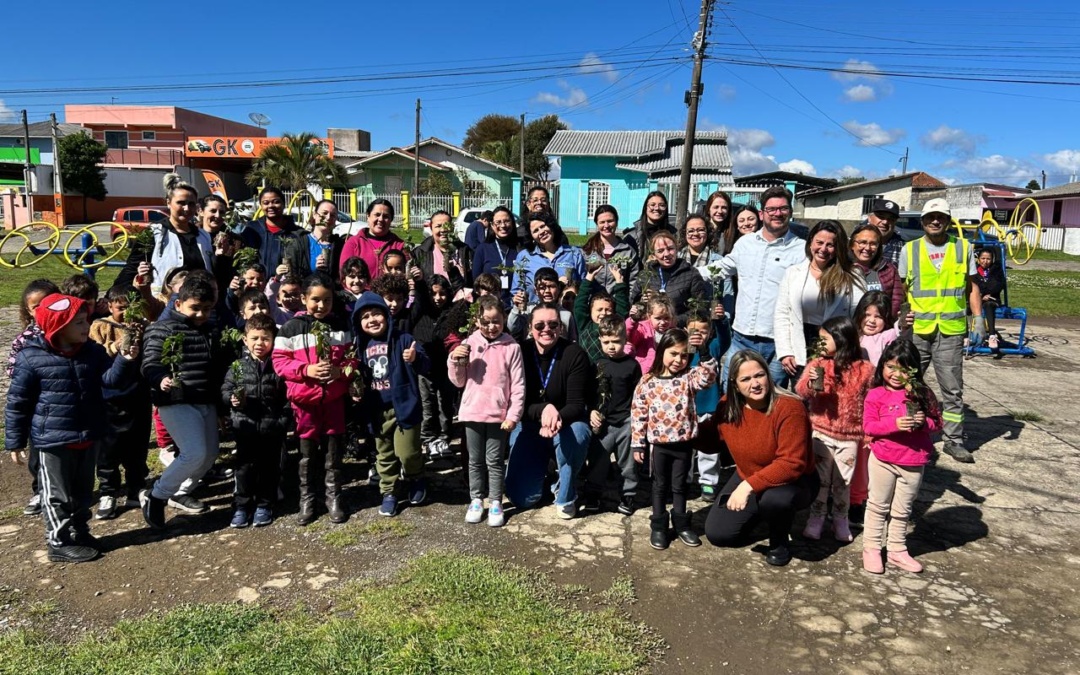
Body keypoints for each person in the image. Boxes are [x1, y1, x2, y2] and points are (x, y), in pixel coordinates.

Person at [6, 293, 139, 563]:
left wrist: (124, 359)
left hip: (88, 433)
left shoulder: (92, 352)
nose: (85, 328)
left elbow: (110, 381)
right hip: (52, 439)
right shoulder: (31, 358)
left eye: (85, 321)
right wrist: (15, 441)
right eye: (78, 323)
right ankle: (58, 541)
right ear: (58, 327)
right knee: (57, 493)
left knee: (82, 491)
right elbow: (18, 402)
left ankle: (81, 531)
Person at [702, 350, 818, 567]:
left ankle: (779, 540)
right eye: (745, 379)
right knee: (719, 534)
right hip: (751, 474)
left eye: (759, 375)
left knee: (775, 500)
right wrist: (684, 428)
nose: (754, 384)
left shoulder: (789, 408)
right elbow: (711, 442)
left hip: (794, 482)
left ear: (768, 375)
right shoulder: (728, 406)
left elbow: (792, 464)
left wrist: (747, 487)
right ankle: (761, 512)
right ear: (735, 384)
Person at [899, 198, 983, 463]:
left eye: (941, 217)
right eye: (930, 217)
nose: (935, 221)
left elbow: (972, 287)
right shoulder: (909, 250)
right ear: (922, 221)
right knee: (907, 383)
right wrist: (902, 315)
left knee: (952, 389)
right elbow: (902, 289)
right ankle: (906, 432)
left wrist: (979, 318)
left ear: (948, 221)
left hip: (950, 330)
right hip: (918, 330)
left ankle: (954, 440)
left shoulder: (964, 248)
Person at [140, 275, 222, 530]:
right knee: (194, 452)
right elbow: (150, 360)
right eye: (194, 308)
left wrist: (222, 406)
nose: (200, 314)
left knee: (209, 455)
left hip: (205, 399)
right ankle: (157, 495)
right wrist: (160, 377)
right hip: (176, 400)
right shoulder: (161, 329)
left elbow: (217, 369)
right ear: (178, 304)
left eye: (206, 309)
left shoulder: (211, 329)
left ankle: (180, 490)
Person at [273, 273, 355, 526]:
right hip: (304, 403)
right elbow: (279, 362)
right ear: (303, 298)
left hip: (332, 401)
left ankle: (333, 497)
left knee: (333, 454)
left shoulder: (340, 326)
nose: (321, 306)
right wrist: (305, 370)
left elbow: (352, 359)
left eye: (327, 300)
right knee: (307, 456)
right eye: (315, 300)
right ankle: (307, 499)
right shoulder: (290, 329)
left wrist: (341, 372)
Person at [631, 329, 717, 550]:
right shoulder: (647, 382)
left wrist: (704, 351)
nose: (679, 360)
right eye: (673, 353)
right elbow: (639, 414)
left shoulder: (689, 377)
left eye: (684, 355)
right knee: (659, 486)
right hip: (658, 446)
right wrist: (638, 443)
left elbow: (708, 378)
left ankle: (681, 524)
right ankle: (659, 526)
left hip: (684, 444)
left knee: (680, 486)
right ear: (661, 352)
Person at [862, 340, 942, 574]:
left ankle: (897, 549)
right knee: (877, 505)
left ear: (915, 370)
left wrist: (922, 422)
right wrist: (894, 424)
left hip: (913, 461)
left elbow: (937, 423)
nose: (897, 374)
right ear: (882, 367)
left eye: (904, 369)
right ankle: (872, 548)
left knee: (902, 510)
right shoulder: (876, 394)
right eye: (891, 367)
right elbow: (869, 426)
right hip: (883, 459)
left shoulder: (923, 394)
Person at [504, 304, 591, 518]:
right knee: (522, 498)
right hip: (531, 423)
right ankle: (546, 467)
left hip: (566, 423)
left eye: (553, 324)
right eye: (539, 325)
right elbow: (516, 402)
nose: (547, 329)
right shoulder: (520, 351)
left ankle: (565, 491)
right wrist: (544, 410)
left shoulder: (574, 353)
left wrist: (555, 415)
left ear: (560, 327)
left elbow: (577, 403)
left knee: (579, 434)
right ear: (530, 328)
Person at [713, 186, 806, 387]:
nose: (777, 213)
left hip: (779, 344)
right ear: (762, 213)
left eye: (783, 208)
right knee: (731, 394)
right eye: (771, 209)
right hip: (741, 338)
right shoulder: (745, 243)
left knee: (771, 400)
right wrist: (684, 271)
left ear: (790, 211)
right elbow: (720, 268)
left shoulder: (801, 250)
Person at [794, 316, 874, 543]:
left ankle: (840, 518)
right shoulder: (818, 364)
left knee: (843, 482)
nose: (820, 344)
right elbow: (801, 392)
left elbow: (870, 402)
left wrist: (868, 434)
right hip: (820, 431)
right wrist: (810, 383)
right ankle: (815, 518)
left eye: (825, 339)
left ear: (841, 340)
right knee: (820, 481)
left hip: (850, 437)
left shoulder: (865, 370)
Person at [448, 295, 525, 527]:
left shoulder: (511, 347)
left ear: (503, 319)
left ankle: (495, 501)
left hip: (498, 416)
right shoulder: (468, 344)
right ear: (477, 321)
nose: (491, 326)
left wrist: (513, 415)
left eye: (496, 321)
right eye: (486, 321)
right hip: (472, 412)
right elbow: (458, 382)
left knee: (494, 460)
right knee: (474, 460)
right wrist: (455, 360)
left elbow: (519, 385)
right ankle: (475, 500)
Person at [353, 292, 430, 518]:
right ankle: (389, 491)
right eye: (365, 316)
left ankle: (416, 477)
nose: (372, 319)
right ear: (359, 323)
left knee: (407, 453)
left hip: (405, 407)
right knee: (384, 454)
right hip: (377, 410)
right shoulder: (360, 347)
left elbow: (426, 365)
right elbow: (357, 377)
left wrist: (415, 358)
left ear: (386, 314)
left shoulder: (404, 339)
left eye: (377, 313)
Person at [89, 285, 152, 520]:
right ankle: (108, 490)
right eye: (120, 308)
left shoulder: (143, 326)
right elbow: (93, 355)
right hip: (109, 396)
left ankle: (137, 487)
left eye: (130, 308)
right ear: (110, 306)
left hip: (138, 394)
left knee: (137, 444)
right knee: (108, 449)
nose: (125, 314)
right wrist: (114, 346)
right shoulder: (100, 326)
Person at [775, 220, 865, 383]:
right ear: (810, 243)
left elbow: (859, 316)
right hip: (800, 344)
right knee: (802, 395)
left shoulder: (852, 274)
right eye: (819, 242)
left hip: (836, 347)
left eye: (830, 245)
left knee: (829, 398)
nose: (823, 249)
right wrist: (785, 351)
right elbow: (782, 314)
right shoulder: (793, 273)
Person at [223, 313, 289, 528]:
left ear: (273, 340)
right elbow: (226, 389)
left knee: (269, 468)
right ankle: (242, 506)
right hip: (245, 427)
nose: (260, 343)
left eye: (265, 338)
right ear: (245, 340)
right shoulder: (237, 366)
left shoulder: (279, 368)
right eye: (255, 338)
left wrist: (282, 421)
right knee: (244, 468)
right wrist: (231, 399)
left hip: (272, 428)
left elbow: (287, 398)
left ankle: (264, 504)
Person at [7, 278, 60, 517]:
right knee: (37, 453)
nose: (41, 310)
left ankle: (65, 492)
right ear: (28, 311)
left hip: (63, 405)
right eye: (35, 307)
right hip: (38, 407)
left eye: (47, 303)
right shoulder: (24, 339)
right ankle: (40, 490)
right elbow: (14, 370)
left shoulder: (68, 332)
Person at [582, 317, 642, 515]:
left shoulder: (632, 366)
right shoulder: (597, 365)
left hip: (626, 422)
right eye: (606, 342)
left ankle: (628, 494)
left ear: (625, 340)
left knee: (628, 463)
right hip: (604, 423)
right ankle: (593, 493)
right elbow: (589, 393)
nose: (611, 346)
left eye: (616, 341)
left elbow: (638, 395)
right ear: (600, 340)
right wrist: (591, 411)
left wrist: (636, 421)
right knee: (598, 461)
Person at [115, 174, 213, 296]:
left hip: (199, 304)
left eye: (191, 204)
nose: (187, 208)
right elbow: (132, 268)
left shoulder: (203, 236)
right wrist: (113, 295)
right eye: (181, 203)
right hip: (163, 304)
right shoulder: (154, 233)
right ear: (168, 202)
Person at [687, 310, 726, 503]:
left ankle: (708, 481)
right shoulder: (683, 350)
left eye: (702, 331)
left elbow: (725, 337)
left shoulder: (714, 346)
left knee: (708, 450)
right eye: (693, 331)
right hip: (685, 409)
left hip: (708, 407)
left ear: (709, 333)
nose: (697, 335)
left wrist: (720, 320)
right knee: (685, 448)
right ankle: (683, 480)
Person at [511, 212, 586, 304]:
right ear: (531, 237)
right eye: (535, 231)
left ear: (551, 226)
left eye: (543, 226)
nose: (541, 232)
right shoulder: (524, 257)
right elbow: (517, 289)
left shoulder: (574, 253)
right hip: (535, 311)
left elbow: (583, 286)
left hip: (567, 311)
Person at [637, 230, 708, 322]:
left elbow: (700, 308)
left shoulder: (691, 274)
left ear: (677, 249)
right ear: (654, 254)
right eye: (660, 251)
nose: (666, 254)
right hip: (649, 331)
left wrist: (674, 321)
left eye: (670, 249)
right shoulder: (646, 275)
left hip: (678, 331)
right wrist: (642, 302)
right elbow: (634, 303)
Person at [573, 261, 629, 363]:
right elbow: (579, 305)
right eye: (599, 310)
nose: (603, 313)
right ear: (590, 311)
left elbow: (623, 307)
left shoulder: (616, 326)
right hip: (587, 370)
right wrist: (589, 278)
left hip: (610, 370)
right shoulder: (585, 325)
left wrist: (619, 281)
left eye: (608, 310)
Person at [338, 199, 408, 281]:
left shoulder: (399, 246)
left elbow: (407, 275)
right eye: (377, 215)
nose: (381, 219)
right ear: (368, 216)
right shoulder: (354, 243)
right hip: (359, 292)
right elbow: (344, 275)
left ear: (391, 220)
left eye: (385, 216)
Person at [240, 187, 302, 279]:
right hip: (257, 285)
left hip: (284, 287)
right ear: (260, 205)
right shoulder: (251, 229)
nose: (271, 206)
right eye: (266, 203)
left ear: (284, 204)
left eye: (276, 202)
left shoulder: (297, 233)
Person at [579, 205, 641, 298]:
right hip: (593, 307)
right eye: (602, 222)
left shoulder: (628, 251)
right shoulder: (587, 250)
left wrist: (628, 303)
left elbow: (634, 282)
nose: (606, 225)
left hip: (618, 306)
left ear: (616, 222)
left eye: (610, 221)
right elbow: (581, 280)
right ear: (597, 224)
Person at [850, 223, 903, 324]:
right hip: (849, 329)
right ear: (852, 244)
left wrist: (885, 323)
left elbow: (896, 302)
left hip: (879, 331)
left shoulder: (889, 269)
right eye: (862, 242)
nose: (867, 248)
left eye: (873, 243)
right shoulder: (842, 269)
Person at [412, 210, 472, 295]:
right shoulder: (420, 253)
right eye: (438, 226)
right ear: (431, 227)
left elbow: (471, 281)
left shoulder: (464, 251)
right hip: (432, 303)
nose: (443, 230)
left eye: (446, 225)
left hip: (460, 302)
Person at [471, 207, 520, 307]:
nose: (503, 225)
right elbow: (476, 281)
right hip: (490, 308)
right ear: (492, 226)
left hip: (515, 306)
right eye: (498, 222)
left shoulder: (520, 248)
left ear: (512, 223)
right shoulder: (483, 249)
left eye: (506, 221)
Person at [282, 199, 343, 279]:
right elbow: (291, 275)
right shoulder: (299, 243)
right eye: (324, 213)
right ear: (315, 215)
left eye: (332, 215)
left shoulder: (339, 245)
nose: (328, 218)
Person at [626, 295, 675, 374]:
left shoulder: (673, 332)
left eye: (667, 318)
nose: (662, 322)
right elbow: (630, 338)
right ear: (649, 316)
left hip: (665, 371)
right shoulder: (643, 328)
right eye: (658, 318)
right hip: (645, 371)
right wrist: (632, 321)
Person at [624, 191, 675, 261]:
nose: (657, 208)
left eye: (661, 205)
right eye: (652, 205)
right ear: (646, 208)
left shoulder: (673, 233)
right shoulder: (632, 236)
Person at [975, 247, 1005, 352]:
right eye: (983, 258)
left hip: (993, 299)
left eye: (988, 259)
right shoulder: (974, 270)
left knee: (988, 305)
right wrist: (981, 294)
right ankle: (965, 336)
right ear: (978, 259)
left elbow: (998, 285)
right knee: (966, 307)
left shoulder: (996, 270)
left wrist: (988, 292)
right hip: (977, 298)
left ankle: (992, 335)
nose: (985, 261)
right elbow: (974, 284)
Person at [866, 198, 904, 268]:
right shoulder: (854, 243)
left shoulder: (903, 249)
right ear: (870, 218)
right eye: (881, 217)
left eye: (891, 219)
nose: (885, 222)